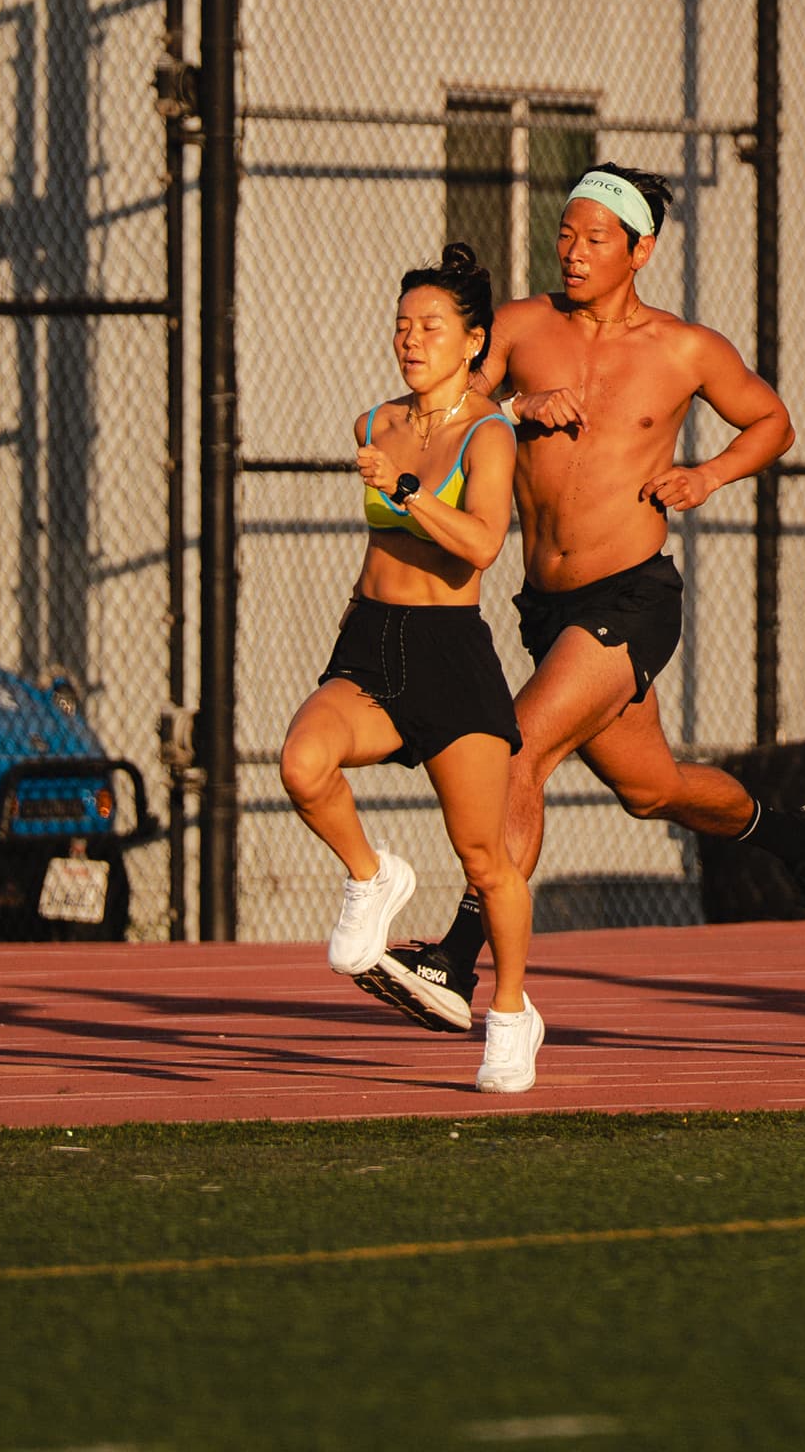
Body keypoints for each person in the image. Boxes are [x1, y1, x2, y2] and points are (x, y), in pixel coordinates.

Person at [371, 165, 805, 1030]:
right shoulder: (522, 326)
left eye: (596, 238)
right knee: (652, 789)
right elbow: (449, 411)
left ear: (640, 250)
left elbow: (774, 422)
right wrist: (518, 408)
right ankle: (801, 838)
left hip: (633, 598)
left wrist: (707, 475)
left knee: (516, 749)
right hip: (547, 608)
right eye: (566, 233)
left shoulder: (684, 349)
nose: (573, 251)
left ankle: (456, 958)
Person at [281, 246, 544, 1090]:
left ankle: (510, 1014)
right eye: (402, 326)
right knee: (302, 762)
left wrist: (405, 489)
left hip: (448, 653)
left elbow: (482, 545)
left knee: (484, 859)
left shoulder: (488, 432)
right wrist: (392, 476)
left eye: (431, 326)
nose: (410, 339)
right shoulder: (375, 423)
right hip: (371, 639)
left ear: (473, 343)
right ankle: (373, 875)